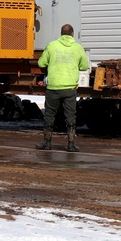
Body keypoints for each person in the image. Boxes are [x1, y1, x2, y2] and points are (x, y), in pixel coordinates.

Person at [36, 24, 89, 152]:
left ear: (61, 33)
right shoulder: (78, 48)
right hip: (70, 88)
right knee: (70, 116)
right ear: (72, 34)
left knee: (49, 115)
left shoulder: (52, 45)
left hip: (53, 87)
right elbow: (84, 66)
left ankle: (47, 143)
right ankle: (71, 144)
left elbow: (41, 63)